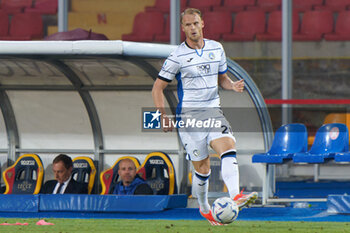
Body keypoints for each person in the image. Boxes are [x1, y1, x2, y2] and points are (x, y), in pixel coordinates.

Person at [152, 8, 257, 225]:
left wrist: (232, 85)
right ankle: (204, 207)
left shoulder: (216, 48)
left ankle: (235, 196)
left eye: (195, 23)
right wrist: (162, 115)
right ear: (183, 28)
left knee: (228, 147)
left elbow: (222, 79)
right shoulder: (177, 56)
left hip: (213, 112)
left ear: (202, 24)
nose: (192, 28)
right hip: (189, 117)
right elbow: (157, 88)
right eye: (188, 25)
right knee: (203, 168)